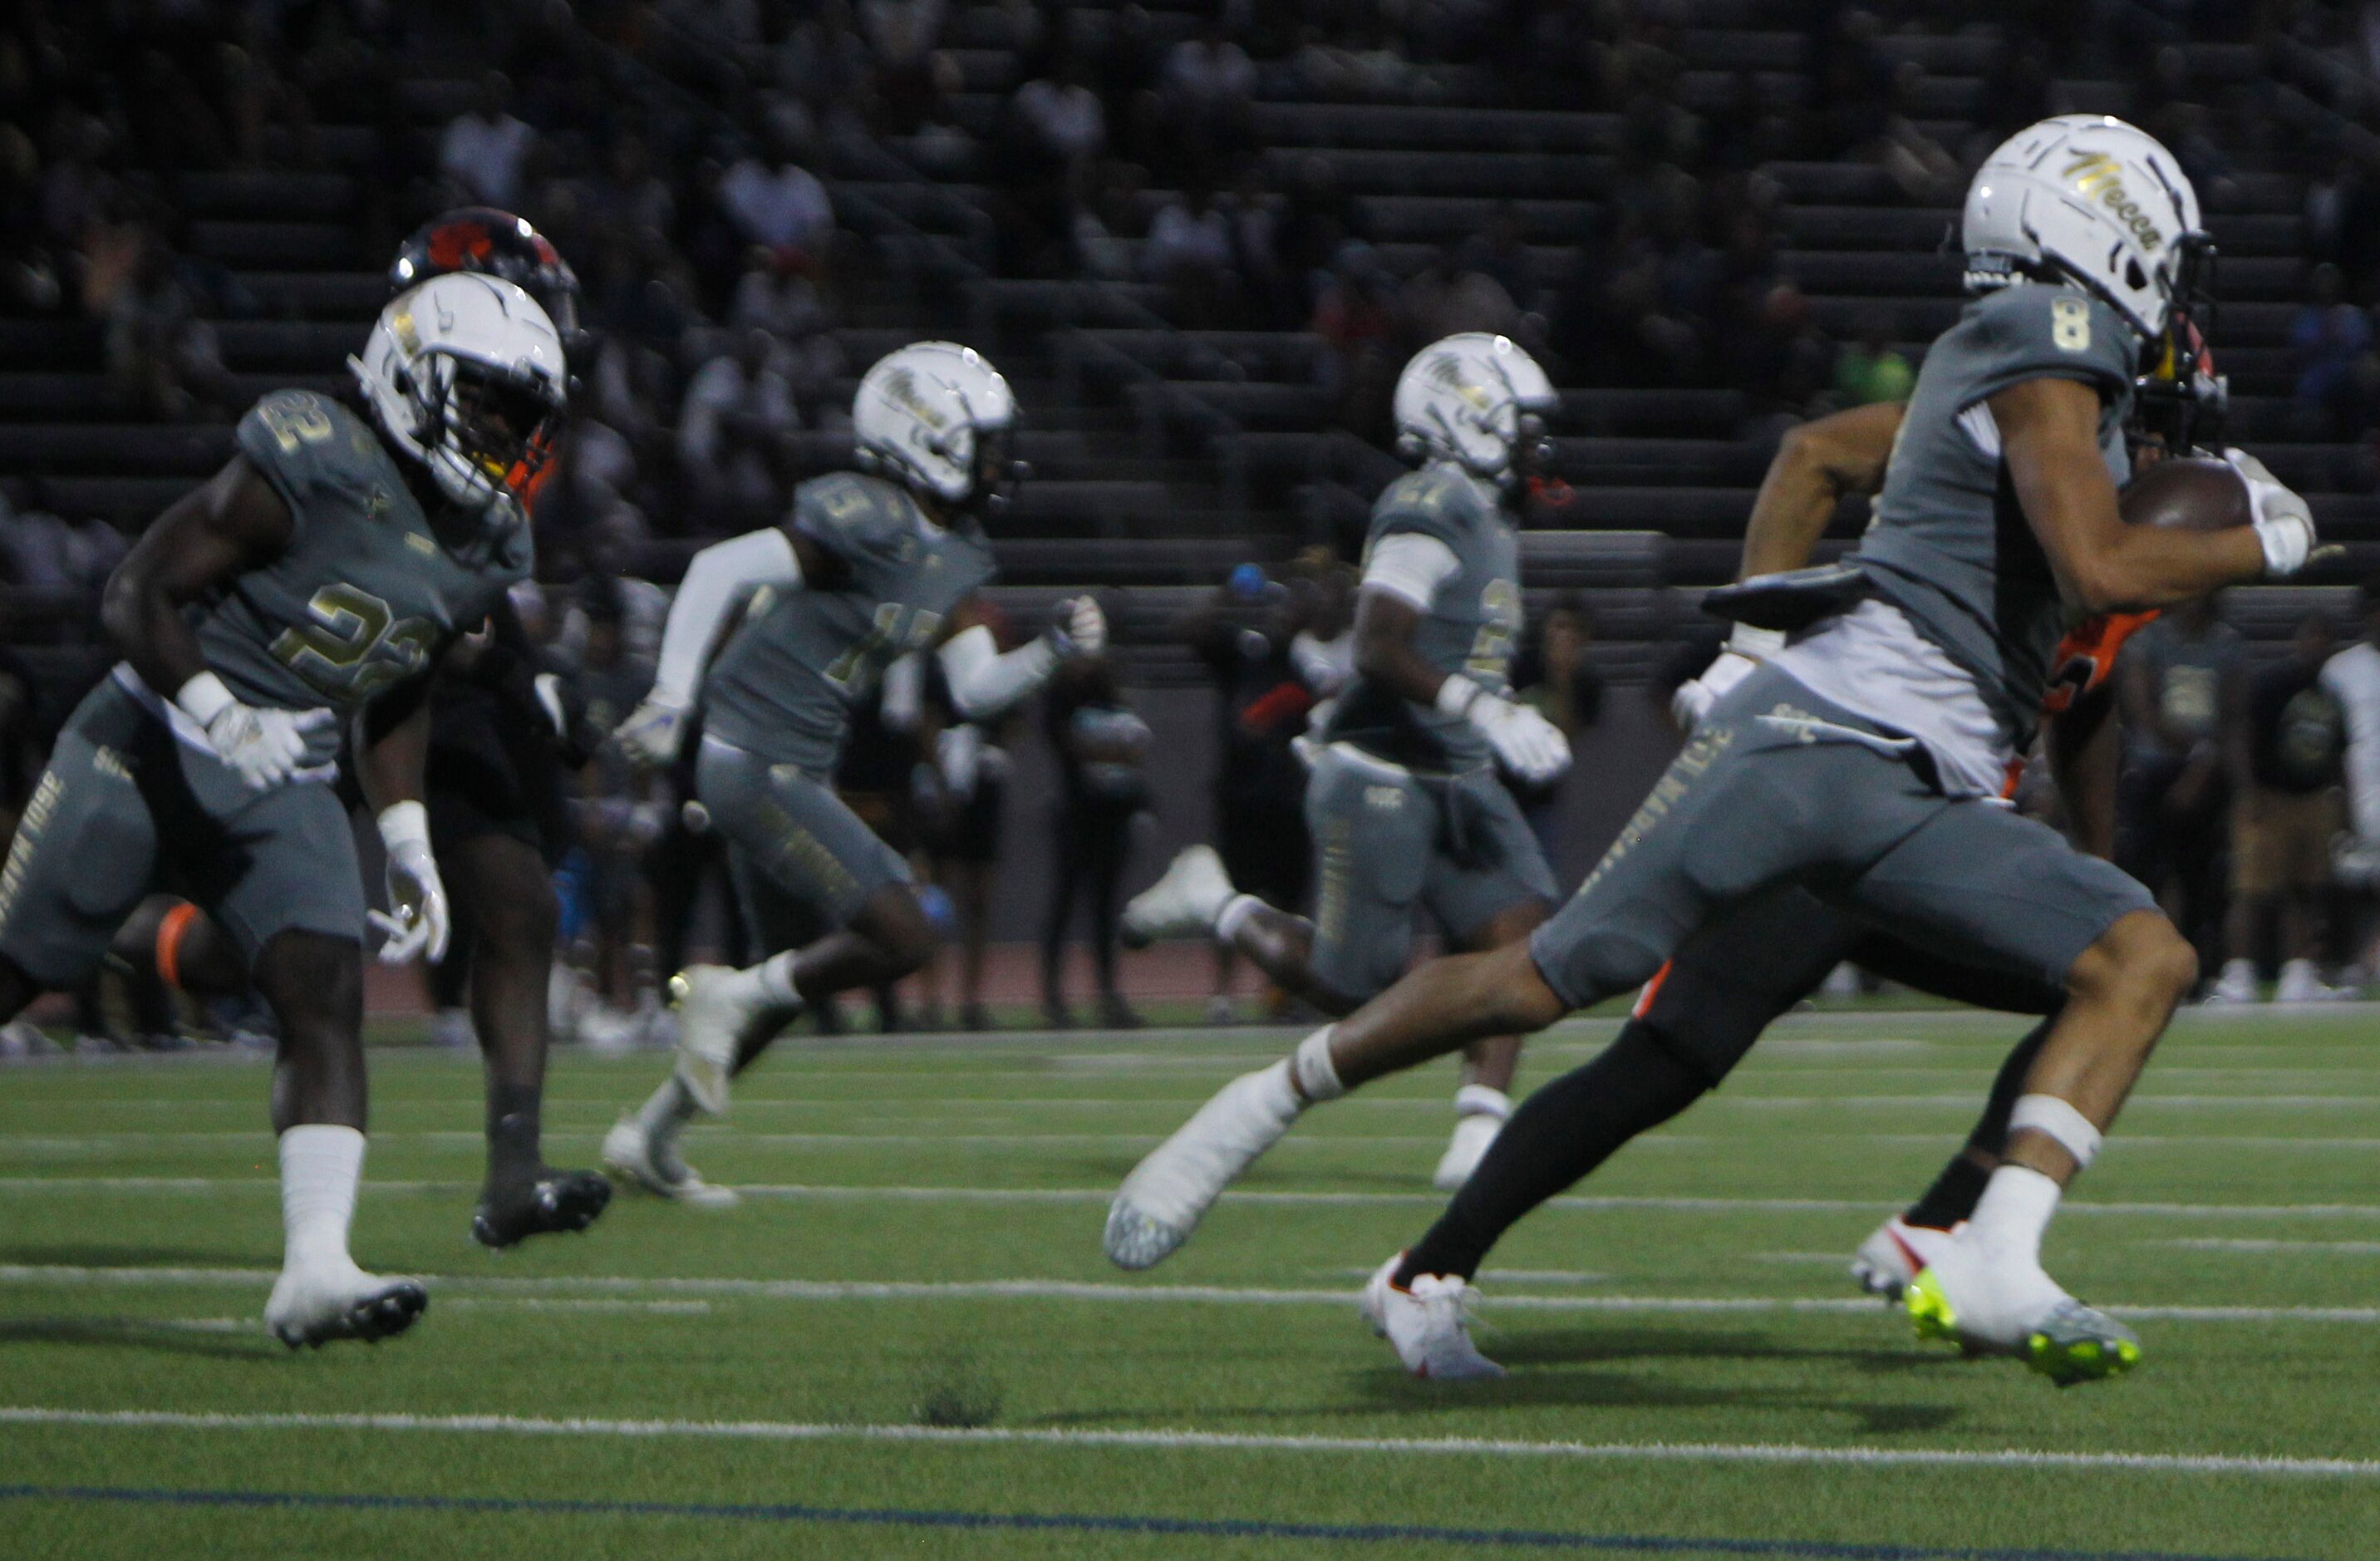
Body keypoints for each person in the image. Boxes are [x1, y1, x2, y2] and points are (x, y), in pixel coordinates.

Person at [1109, 117, 2325, 1388]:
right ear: (2105, 242)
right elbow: (2084, 558)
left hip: (1924, 798)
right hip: (1821, 744)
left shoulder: (2081, 419)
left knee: (2139, 955)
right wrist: (2272, 539)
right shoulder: (2039, 340)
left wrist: (2093, 863)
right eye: (2170, 271)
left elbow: (2083, 683)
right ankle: (1263, 1106)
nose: (2184, 313)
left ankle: (1978, 1246)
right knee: (1554, 983)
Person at [0, 268, 567, 1347]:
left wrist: (407, 840)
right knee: (19, 966)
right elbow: (137, 592)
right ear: (414, 377)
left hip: (287, 768)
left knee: (322, 983)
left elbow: (400, 678)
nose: (506, 433)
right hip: (151, 739)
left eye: (523, 415)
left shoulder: (482, 540)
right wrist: (217, 707)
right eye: (492, 401)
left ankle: (315, 1269)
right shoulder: (312, 454)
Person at [98, 210, 614, 1253]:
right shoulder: (332, 449)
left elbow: (463, 594)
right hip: (302, 679)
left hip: (414, 686)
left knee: (516, 902)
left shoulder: (480, 462)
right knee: (259, 952)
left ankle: (513, 1171)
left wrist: (527, 679)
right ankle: (106, 935)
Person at [602, 342, 1105, 1204]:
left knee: (789, 979)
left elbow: (976, 689)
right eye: (982, 444)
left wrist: (1051, 652)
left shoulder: (954, 551)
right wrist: (670, 696)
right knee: (903, 936)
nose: (997, 464)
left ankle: (648, 1139)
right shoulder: (862, 512)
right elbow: (715, 568)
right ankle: (722, 1006)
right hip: (750, 756)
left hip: (793, 763)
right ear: (927, 440)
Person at [1113, 333, 1571, 1221]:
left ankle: (1478, 1127)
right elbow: (1378, 643)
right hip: (1382, 771)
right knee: (1350, 987)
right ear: (1466, 421)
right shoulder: (1426, 501)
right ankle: (1215, 900)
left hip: (1456, 768)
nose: (1532, 445)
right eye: (1520, 426)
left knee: (1522, 945)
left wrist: (1492, 716)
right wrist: (1490, 712)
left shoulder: (1490, 515)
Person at [2213, 613, 2348, 1002]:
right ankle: (2238, 972)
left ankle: (2297, 971)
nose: (2317, 645)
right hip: (2269, 796)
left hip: (2311, 797)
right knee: (2251, 890)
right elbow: (2243, 735)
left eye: (2325, 637)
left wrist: (2338, 798)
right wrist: (2247, 790)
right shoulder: (2272, 684)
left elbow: (2338, 752)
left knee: (2303, 889)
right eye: (2312, 636)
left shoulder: (2329, 693)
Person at [2116, 591, 2242, 976]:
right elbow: (2142, 709)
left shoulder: (2225, 645)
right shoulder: (2150, 641)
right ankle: (2145, 957)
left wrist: (2203, 762)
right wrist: (2191, 748)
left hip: (2207, 771)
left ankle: (2197, 964)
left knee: (2200, 874)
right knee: (2150, 869)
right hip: (2155, 768)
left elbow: (2233, 715)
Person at [1040, 653, 1150, 1029]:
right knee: (1064, 905)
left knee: (1105, 911)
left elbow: (1135, 747)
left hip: (1111, 814)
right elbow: (1067, 742)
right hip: (1076, 814)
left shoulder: (1114, 698)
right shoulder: (1062, 696)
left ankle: (1107, 996)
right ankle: (1053, 998)